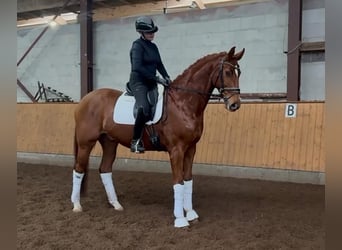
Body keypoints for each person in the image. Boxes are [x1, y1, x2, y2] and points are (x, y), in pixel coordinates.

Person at [128, 16, 171, 153]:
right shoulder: (137, 46)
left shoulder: (153, 47)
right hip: (139, 82)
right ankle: (135, 141)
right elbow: (137, 67)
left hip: (152, 83)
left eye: (153, 32)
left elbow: (159, 64)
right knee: (144, 107)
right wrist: (157, 79)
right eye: (149, 32)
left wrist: (167, 77)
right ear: (141, 33)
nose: (152, 34)